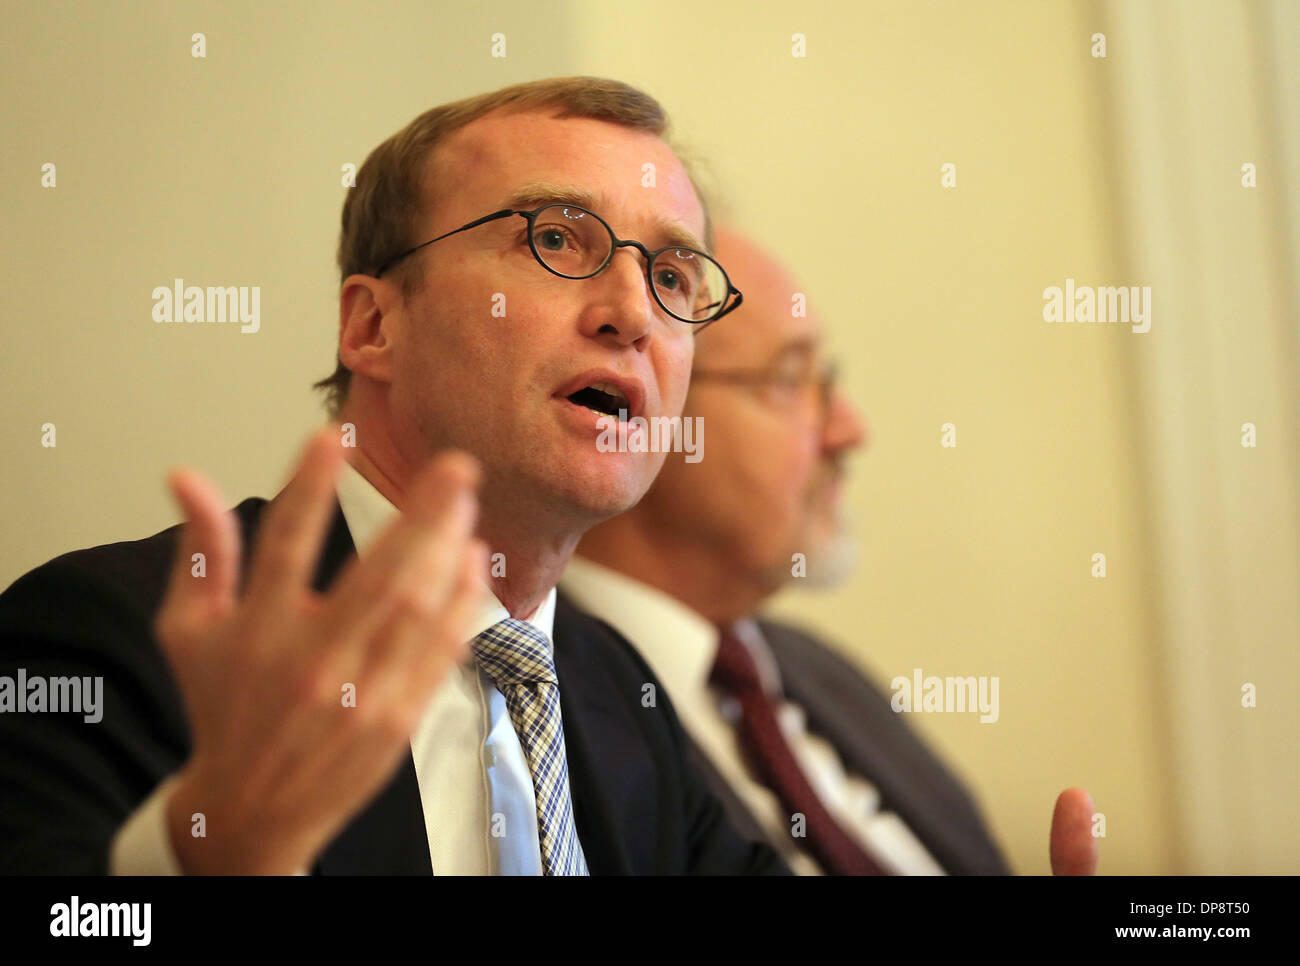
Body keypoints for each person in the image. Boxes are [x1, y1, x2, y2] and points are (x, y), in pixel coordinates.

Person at [0, 77, 786, 876]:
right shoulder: (109, 634)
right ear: (373, 325)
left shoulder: (617, 692)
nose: (634, 314)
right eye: (555, 239)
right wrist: (214, 849)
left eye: (674, 277)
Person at [564, 226, 1096, 875]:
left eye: (830, 380)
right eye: (790, 380)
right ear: (637, 402)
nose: (849, 429)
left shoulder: (821, 675)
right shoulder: (528, 717)